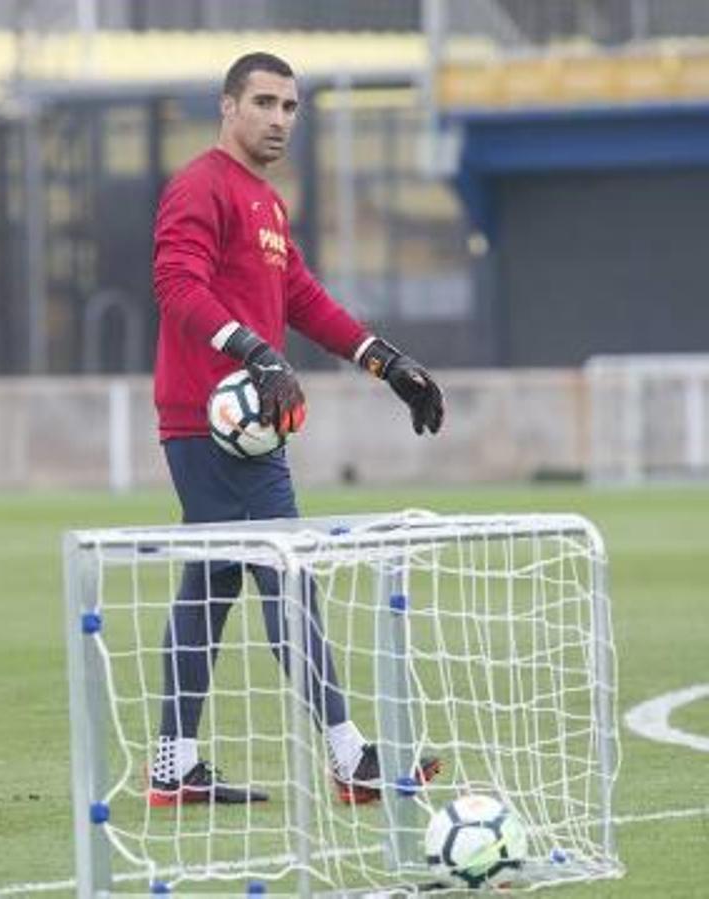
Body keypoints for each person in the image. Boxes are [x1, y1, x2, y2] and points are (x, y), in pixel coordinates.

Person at [148, 53, 445, 808]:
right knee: (286, 572)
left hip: (245, 422)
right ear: (228, 106)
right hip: (216, 422)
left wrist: (388, 362)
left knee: (211, 581)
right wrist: (252, 349)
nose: (280, 119)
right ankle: (350, 757)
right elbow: (176, 285)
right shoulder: (199, 185)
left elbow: (303, 298)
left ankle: (172, 764)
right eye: (265, 103)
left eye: (290, 106)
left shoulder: (266, 202)